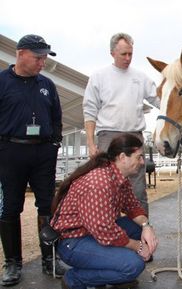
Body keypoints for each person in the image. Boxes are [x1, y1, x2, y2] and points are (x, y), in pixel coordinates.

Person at [0, 34, 66, 285]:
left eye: (45, 58)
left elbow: (56, 117)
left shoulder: (47, 84)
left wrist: (54, 143)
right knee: (10, 207)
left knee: (48, 205)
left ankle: (50, 259)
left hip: (43, 154)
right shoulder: (2, 82)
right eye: (38, 57)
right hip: (10, 153)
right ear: (20, 54)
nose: (42, 63)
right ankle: (13, 263)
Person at [51, 133, 158, 289]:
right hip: (73, 242)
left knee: (136, 228)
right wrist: (138, 247)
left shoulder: (119, 176)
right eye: (139, 157)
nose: (142, 162)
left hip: (90, 234)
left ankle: (106, 270)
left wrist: (146, 226)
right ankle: (75, 279)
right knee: (133, 265)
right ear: (123, 157)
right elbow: (104, 230)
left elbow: (133, 206)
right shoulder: (99, 182)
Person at [83, 32, 160, 215]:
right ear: (112, 53)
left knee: (138, 190)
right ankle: (110, 234)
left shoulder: (140, 77)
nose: (128, 58)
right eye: (123, 54)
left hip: (134, 136)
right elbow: (90, 110)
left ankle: (143, 234)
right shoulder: (98, 77)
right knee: (108, 188)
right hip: (108, 136)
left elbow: (159, 100)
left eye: (130, 54)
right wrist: (91, 143)